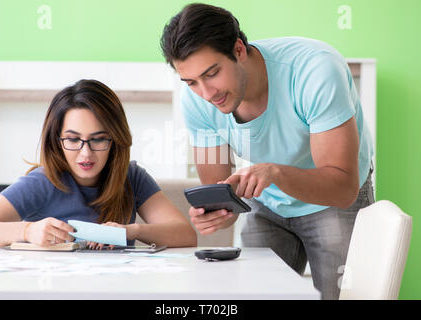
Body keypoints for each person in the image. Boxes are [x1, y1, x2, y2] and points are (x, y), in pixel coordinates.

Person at [160, 3, 374, 299]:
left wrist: (274, 172)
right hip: (270, 203)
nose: (207, 94)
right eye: (191, 82)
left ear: (238, 50)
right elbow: (219, 188)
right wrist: (219, 211)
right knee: (253, 295)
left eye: (212, 74)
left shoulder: (315, 70)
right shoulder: (197, 102)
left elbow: (342, 187)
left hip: (333, 201)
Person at [0, 79, 197, 249]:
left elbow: (186, 235)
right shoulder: (43, 182)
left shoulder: (131, 177)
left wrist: (130, 231)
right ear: (57, 141)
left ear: (115, 139)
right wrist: (28, 230)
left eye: (98, 139)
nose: (85, 153)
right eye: (72, 139)